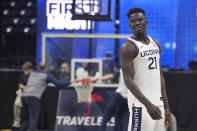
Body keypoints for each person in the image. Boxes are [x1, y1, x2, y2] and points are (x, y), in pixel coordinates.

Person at [119, 7, 172, 131]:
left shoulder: (156, 44)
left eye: (140, 20)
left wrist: (166, 107)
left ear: (146, 22)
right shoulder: (128, 47)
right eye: (133, 21)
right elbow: (128, 80)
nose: (137, 23)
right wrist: (148, 105)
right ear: (130, 26)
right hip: (140, 105)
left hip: (158, 104)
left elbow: (159, 76)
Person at [19, 63, 77, 131]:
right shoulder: (46, 75)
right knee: (33, 119)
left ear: (38, 68)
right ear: (45, 68)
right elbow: (58, 84)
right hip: (33, 97)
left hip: (24, 97)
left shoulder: (32, 74)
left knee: (27, 120)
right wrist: (70, 82)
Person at [12, 61, 33, 128]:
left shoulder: (34, 76)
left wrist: (25, 88)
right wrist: (26, 87)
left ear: (30, 69)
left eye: (26, 69)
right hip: (22, 94)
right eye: (24, 69)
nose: (25, 71)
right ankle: (16, 122)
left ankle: (31, 125)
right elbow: (20, 86)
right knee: (16, 104)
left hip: (31, 95)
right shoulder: (23, 76)